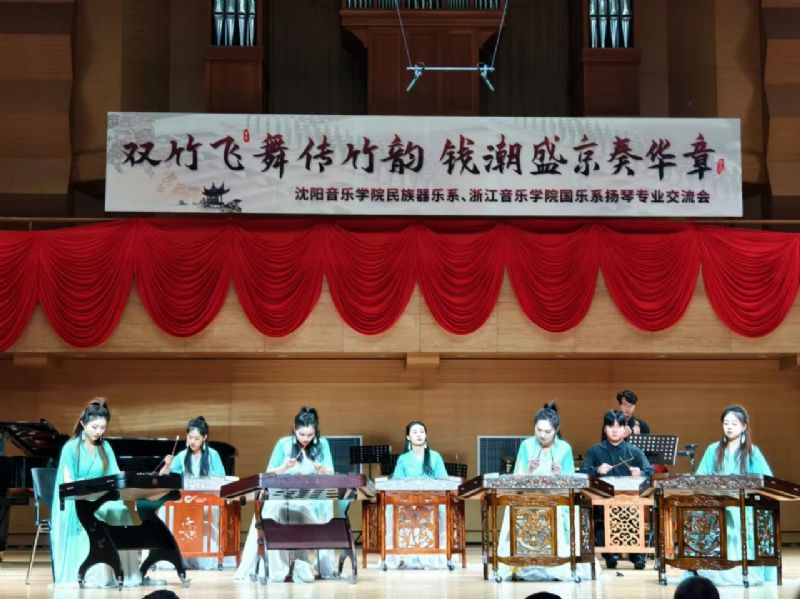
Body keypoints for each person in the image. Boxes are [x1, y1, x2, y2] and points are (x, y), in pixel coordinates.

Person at [234, 407, 335, 583]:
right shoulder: (283, 444)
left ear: (315, 431)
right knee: (269, 509)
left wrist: (322, 469)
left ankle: (308, 564)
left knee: (312, 508)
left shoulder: (322, 444)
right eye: (301, 434)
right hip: (284, 493)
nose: (305, 439)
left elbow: (331, 473)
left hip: (310, 496)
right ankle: (274, 566)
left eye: (310, 435)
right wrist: (284, 467)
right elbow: (268, 473)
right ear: (294, 429)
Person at [50, 398, 142, 587]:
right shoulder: (71, 448)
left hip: (102, 497)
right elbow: (68, 482)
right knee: (95, 514)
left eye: (102, 428)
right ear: (83, 423)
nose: (99, 431)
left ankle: (123, 572)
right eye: (94, 427)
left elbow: (115, 475)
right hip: (78, 500)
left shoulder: (105, 447)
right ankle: (96, 575)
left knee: (121, 512)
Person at [685, 405, 775, 586]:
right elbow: (700, 477)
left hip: (744, 505)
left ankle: (745, 568)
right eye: (726, 423)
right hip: (717, 504)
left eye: (734, 423)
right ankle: (709, 567)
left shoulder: (752, 451)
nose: (729, 427)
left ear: (744, 426)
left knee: (743, 518)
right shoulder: (713, 449)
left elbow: (766, 479)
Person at [496, 403, 587, 581]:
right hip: (528, 499)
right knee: (513, 509)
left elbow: (572, 482)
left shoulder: (564, 448)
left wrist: (560, 474)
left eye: (547, 431)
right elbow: (517, 478)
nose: (542, 435)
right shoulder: (526, 445)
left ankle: (559, 563)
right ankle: (520, 562)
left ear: (556, 430)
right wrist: (529, 469)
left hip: (556, 500)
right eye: (538, 430)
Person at [581, 409, 653, 570]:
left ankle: (636, 555)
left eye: (618, 426)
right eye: (610, 426)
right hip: (603, 500)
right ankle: (610, 554)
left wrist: (640, 473)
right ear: (605, 429)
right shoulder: (594, 450)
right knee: (599, 514)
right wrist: (597, 470)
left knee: (634, 512)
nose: (614, 430)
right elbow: (583, 472)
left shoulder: (634, 451)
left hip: (629, 501)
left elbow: (650, 472)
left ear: (625, 429)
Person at [158, 416, 228, 570]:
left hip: (207, 500)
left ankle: (206, 556)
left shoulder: (213, 455)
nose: (192, 441)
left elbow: (221, 481)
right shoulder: (182, 455)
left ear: (204, 438)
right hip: (186, 500)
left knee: (209, 510)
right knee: (165, 510)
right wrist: (167, 465)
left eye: (197, 438)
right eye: (190, 437)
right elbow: (164, 477)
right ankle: (172, 554)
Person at [384, 421, 449, 569]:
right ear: (408, 437)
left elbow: (444, 481)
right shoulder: (403, 458)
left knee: (440, 510)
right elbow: (397, 483)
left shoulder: (435, 456)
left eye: (421, 432)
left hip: (432, 501)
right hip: (408, 501)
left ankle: (434, 557)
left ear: (426, 435)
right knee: (391, 509)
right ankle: (400, 555)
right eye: (415, 432)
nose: (419, 435)